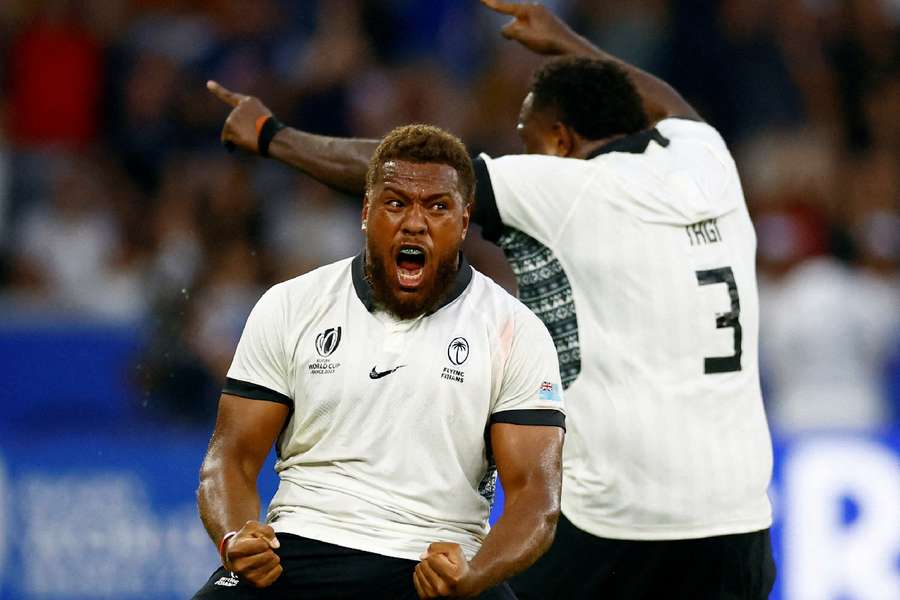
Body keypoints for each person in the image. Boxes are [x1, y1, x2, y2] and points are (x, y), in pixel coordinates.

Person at [207, 2, 775, 597]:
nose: (524, 153)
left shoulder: (567, 186)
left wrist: (274, 137)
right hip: (739, 518)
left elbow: (418, 176)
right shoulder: (707, 159)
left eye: (528, 139)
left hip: (620, 518)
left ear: (560, 139)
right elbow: (664, 103)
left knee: (486, 579)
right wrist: (566, 41)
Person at [192, 124, 566, 600]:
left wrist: (476, 575)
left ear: (465, 220)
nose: (415, 222)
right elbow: (231, 458)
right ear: (366, 213)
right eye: (395, 203)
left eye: (437, 206)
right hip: (298, 548)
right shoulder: (291, 305)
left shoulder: (516, 330)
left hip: (435, 564)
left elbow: (537, 498)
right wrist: (235, 536)